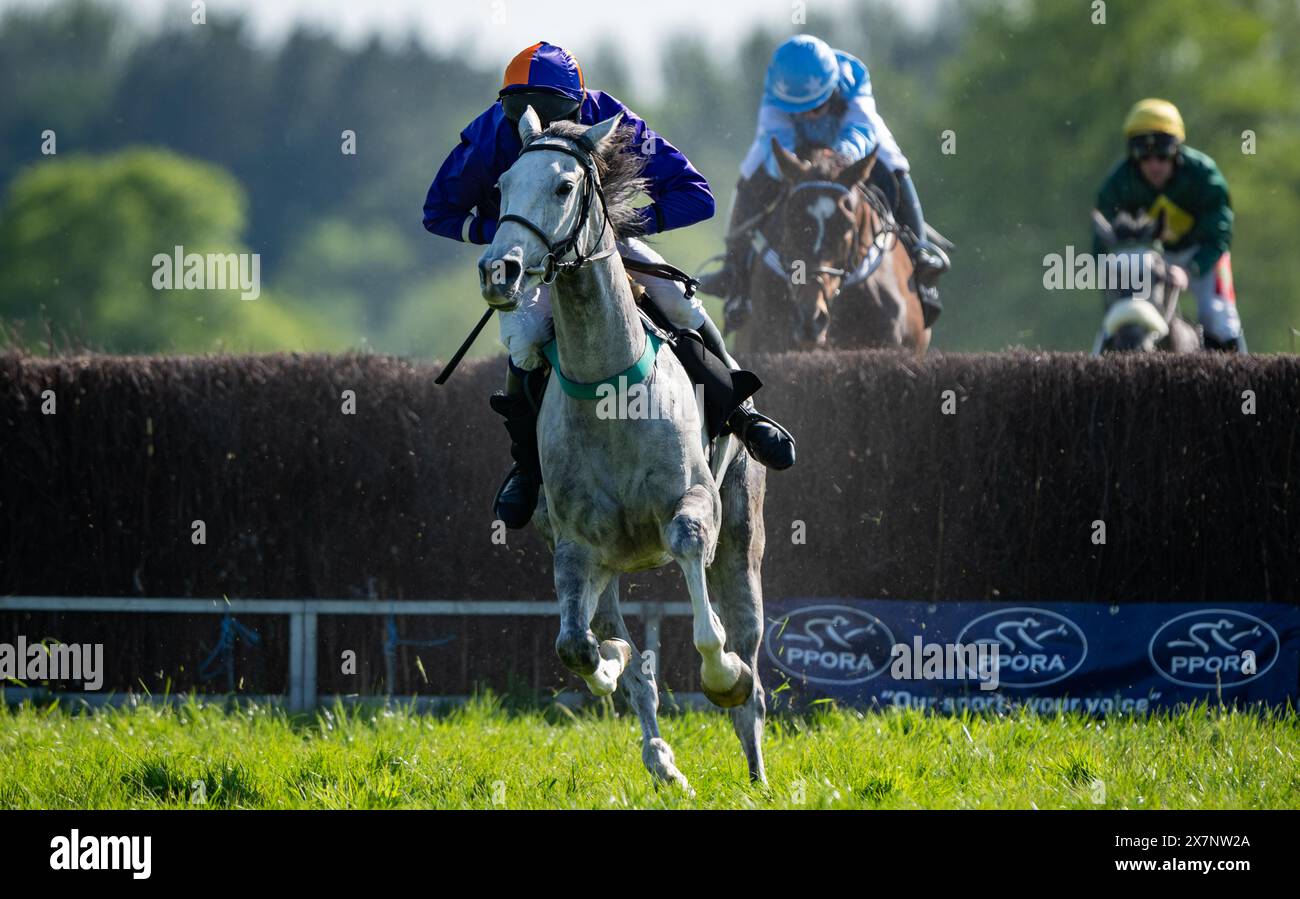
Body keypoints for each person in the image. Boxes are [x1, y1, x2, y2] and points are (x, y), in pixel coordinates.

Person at [423, 41, 796, 529]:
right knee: (523, 340)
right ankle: (528, 467)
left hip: (599, 245)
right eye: (522, 110)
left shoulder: (612, 121)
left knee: (679, 306)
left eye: (552, 111)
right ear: (505, 106)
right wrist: (513, 235)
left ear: (579, 106)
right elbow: (439, 212)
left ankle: (743, 414)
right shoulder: (488, 133)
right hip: (530, 259)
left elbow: (696, 196)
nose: (535, 120)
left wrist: (609, 223)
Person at [698, 33, 949, 326]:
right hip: (800, 150)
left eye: (815, 108)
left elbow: (861, 130)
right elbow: (775, 143)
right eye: (798, 111)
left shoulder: (853, 78)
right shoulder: (776, 92)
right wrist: (801, 171)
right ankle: (733, 268)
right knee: (749, 172)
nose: (808, 116)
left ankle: (920, 253)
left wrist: (839, 160)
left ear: (831, 92)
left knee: (894, 163)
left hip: (849, 143)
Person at [1094, 98, 1245, 352]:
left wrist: (1191, 269)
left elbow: (1218, 236)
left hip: (1202, 255)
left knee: (1220, 318)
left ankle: (1244, 384)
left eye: (1162, 154)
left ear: (1176, 151)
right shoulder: (1118, 183)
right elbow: (1102, 240)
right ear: (1133, 154)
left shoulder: (1205, 177)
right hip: (1152, 259)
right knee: (1115, 321)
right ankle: (1093, 369)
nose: (1154, 164)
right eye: (1144, 154)